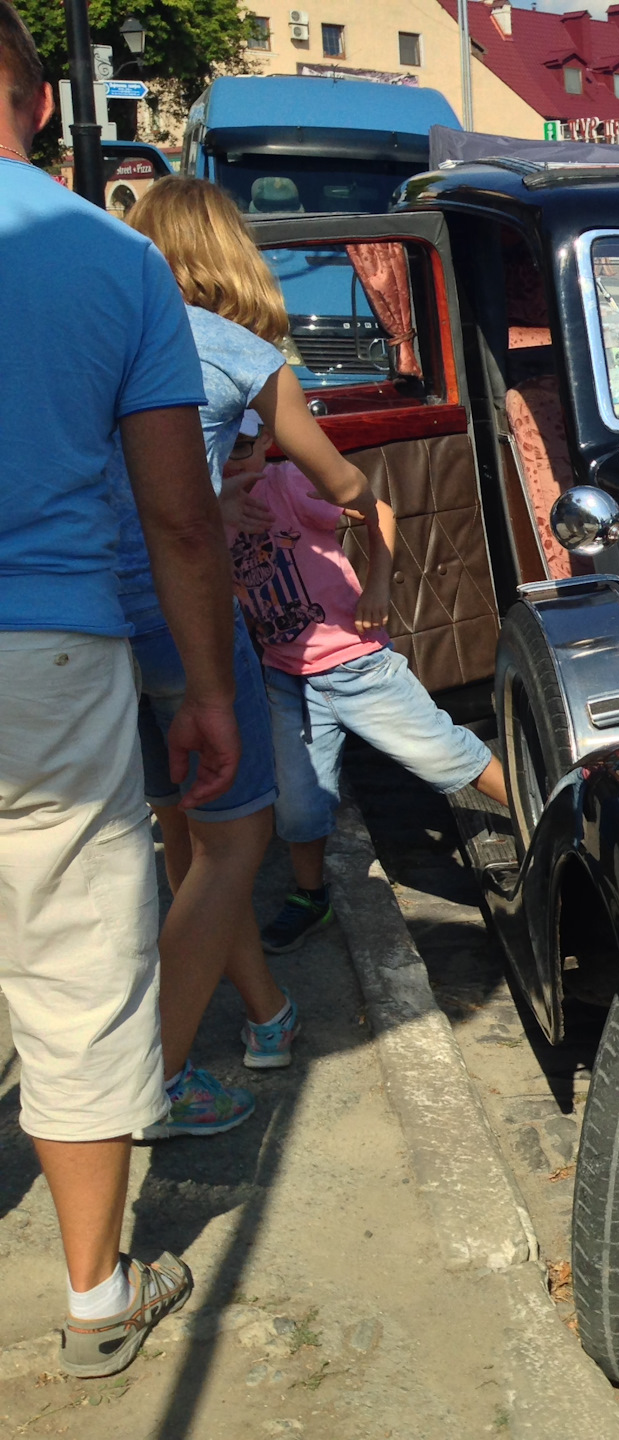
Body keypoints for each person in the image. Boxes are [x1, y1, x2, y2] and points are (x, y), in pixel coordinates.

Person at [0, 1, 239, 1377]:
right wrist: (201, 688)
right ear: (38, 107)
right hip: (49, 654)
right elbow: (181, 517)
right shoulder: (112, 260)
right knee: (75, 965)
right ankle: (96, 1297)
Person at [120, 176, 387, 1129]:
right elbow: (336, 473)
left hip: (97, 611)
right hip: (184, 615)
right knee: (236, 843)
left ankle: (266, 1012)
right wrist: (366, 505)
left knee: (188, 842)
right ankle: (154, 1075)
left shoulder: (116, 333)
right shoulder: (246, 354)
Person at [225, 433, 509, 949]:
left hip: (360, 668)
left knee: (448, 757)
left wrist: (378, 584)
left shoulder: (288, 482)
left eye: (241, 446)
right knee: (298, 804)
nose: (229, 461)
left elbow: (376, 508)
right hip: (288, 680)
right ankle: (311, 896)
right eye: (218, 447)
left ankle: (555, 822)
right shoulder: (209, 511)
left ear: (264, 440)